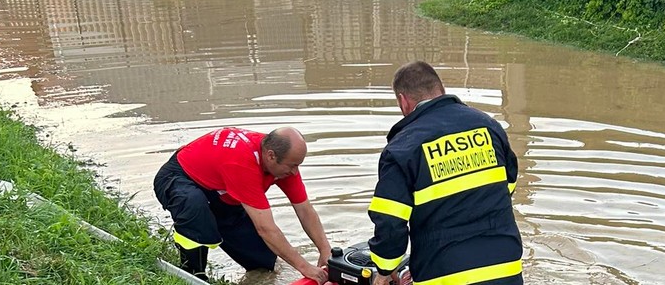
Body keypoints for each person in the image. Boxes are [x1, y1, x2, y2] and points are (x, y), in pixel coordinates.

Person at [367, 61, 522, 285]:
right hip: (505, 268)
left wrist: (384, 270)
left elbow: (391, 221)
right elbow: (506, 187)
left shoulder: (402, 148)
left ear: (403, 101)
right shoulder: (489, 127)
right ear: (441, 90)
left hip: (444, 273)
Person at [154, 126, 330, 283]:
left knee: (264, 263)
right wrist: (305, 267)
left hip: (221, 193)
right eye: (292, 166)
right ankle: (192, 273)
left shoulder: (283, 161)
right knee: (196, 209)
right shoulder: (242, 162)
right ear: (270, 156)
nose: (295, 172)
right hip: (179, 179)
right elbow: (266, 228)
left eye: (298, 166)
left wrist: (325, 250)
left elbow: (305, 210)